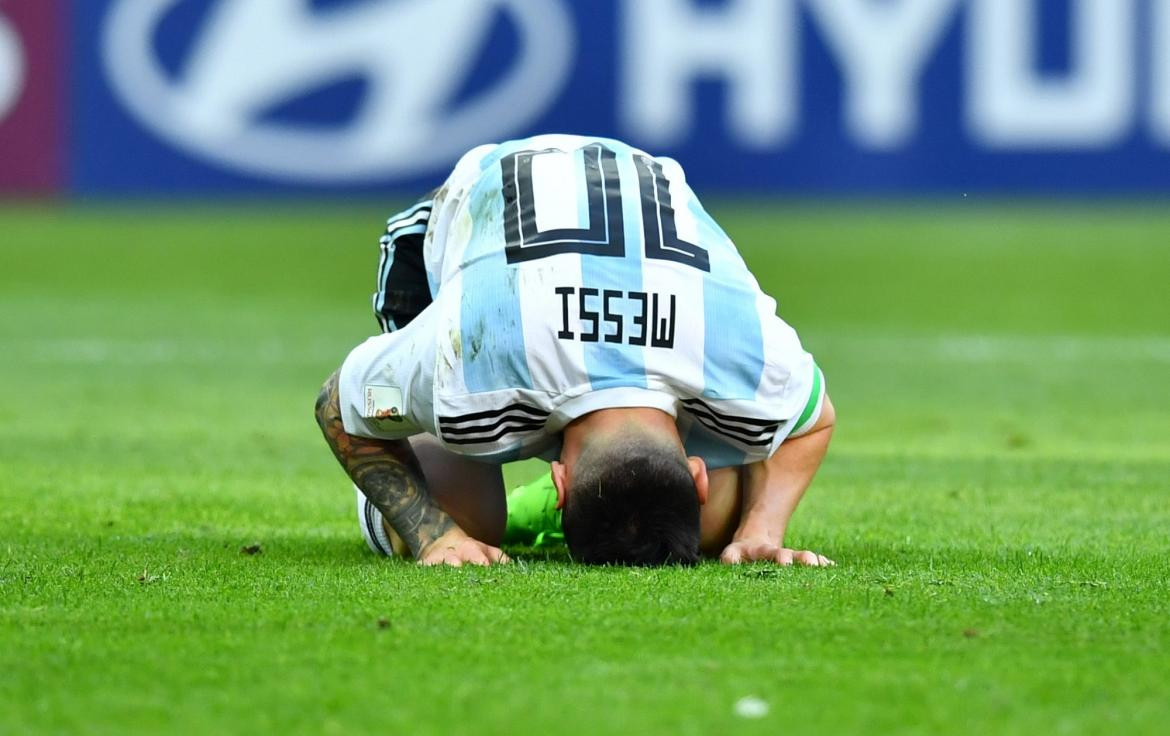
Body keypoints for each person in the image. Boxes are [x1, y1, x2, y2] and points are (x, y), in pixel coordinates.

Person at [314, 134, 836, 567]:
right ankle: (443, 509)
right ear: (695, 471)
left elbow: (814, 417)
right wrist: (433, 535)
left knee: (710, 524)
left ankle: (566, 504)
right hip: (463, 226)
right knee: (462, 516)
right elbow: (339, 401)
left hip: (604, 222)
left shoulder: (742, 356)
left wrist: (758, 531)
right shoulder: (471, 364)